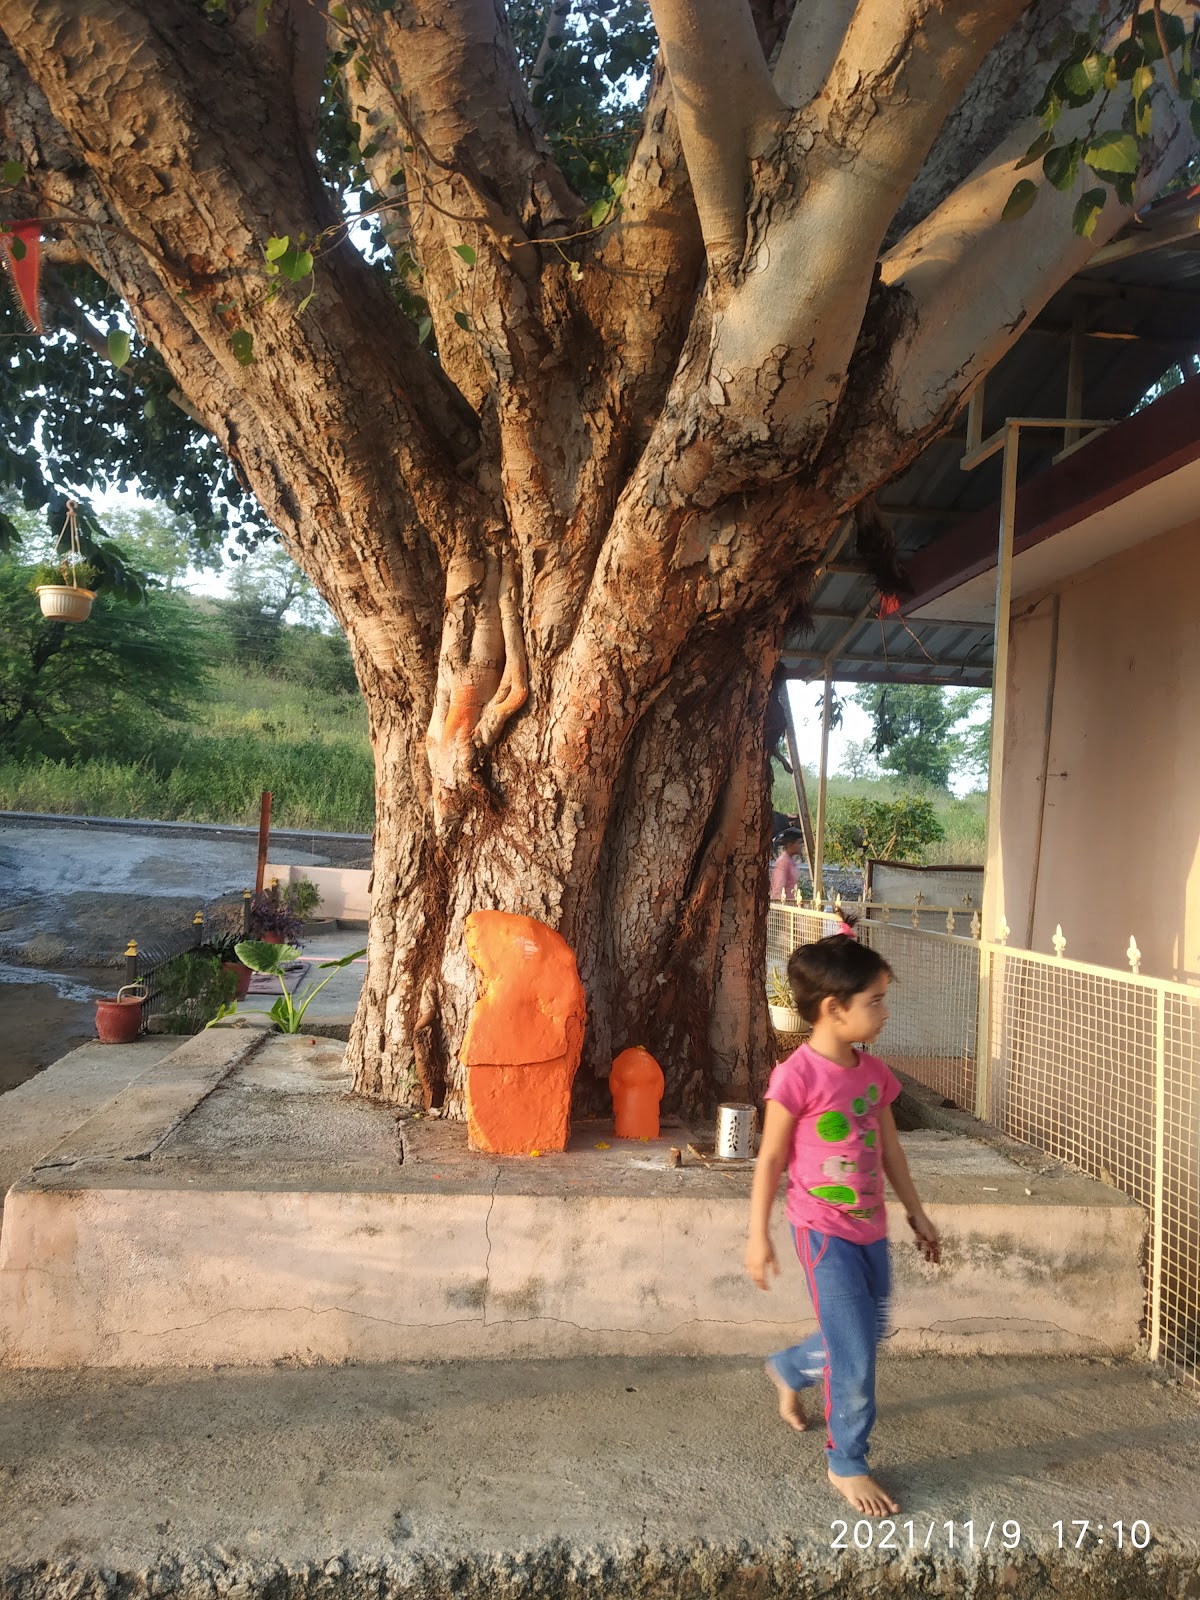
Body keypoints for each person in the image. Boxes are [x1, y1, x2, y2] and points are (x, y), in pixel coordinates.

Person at [744, 921, 940, 1517]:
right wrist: (759, 1236)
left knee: (866, 1333)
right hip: (821, 1231)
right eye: (874, 1001)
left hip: (871, 1230)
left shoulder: (875, 1076)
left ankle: (790, 1365)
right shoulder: (796, 1077)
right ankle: (846, 1460)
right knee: (855, 1350)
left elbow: (891, 1153)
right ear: (833, 1009)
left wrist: (917, 1213)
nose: (883, 1013)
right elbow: (771, 1158)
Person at [769, 828, 804, 902]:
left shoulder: (791, 861)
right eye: (799, 843)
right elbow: (778, 887)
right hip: (783, 905)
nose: (801, 846)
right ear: (790, 845)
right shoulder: (783, 862)